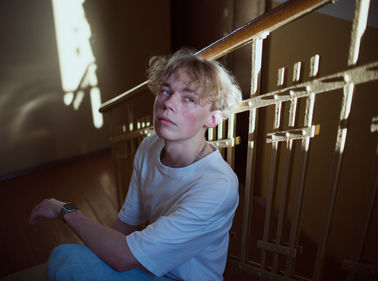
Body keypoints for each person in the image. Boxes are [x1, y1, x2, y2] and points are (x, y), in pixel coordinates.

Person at [29, 48, 242, 281]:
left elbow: (123, 257)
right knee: (65, 256)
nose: (168, 103)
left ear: (213, 118)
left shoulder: (218, 186)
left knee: (69, 268)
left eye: (189, 98)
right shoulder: (150, 146)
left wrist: (66, 211)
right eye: (165, 91)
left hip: (181, 278)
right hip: (146, 267)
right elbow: (127, 222)